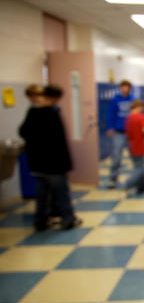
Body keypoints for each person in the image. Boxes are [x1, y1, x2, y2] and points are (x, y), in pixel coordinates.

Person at [19, 85, 82, 231]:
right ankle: (68, 220)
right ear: (55, 98)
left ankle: (40, 222)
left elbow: (22, 132)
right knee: (62, 193)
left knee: (41, 194)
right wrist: (66, 164)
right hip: (55, 163)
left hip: (37, 162)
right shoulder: (52, 113)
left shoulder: (32, 112)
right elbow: (59, 141)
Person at [106, 80, 134, 188]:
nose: (125, 89)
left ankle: (135, 179)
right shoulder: (115, 100)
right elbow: (110, 114)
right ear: (120, 88)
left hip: (130, 132)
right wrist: (110, 127)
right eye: (123, 87)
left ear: (129, 88)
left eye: (127, 87)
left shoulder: (133, 99)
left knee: (135, 156)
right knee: (116, 156)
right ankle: (113, 179)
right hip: (118, 132)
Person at [124, 100, 144, 195]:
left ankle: (141, 187)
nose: (143, 109)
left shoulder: (129, 118)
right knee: (140, 169)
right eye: (142, 107)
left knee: (137, 166)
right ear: (139, 107)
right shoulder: (140, 117)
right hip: (139, 145)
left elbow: (128, 134)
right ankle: (129, 184)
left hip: (131, 145)